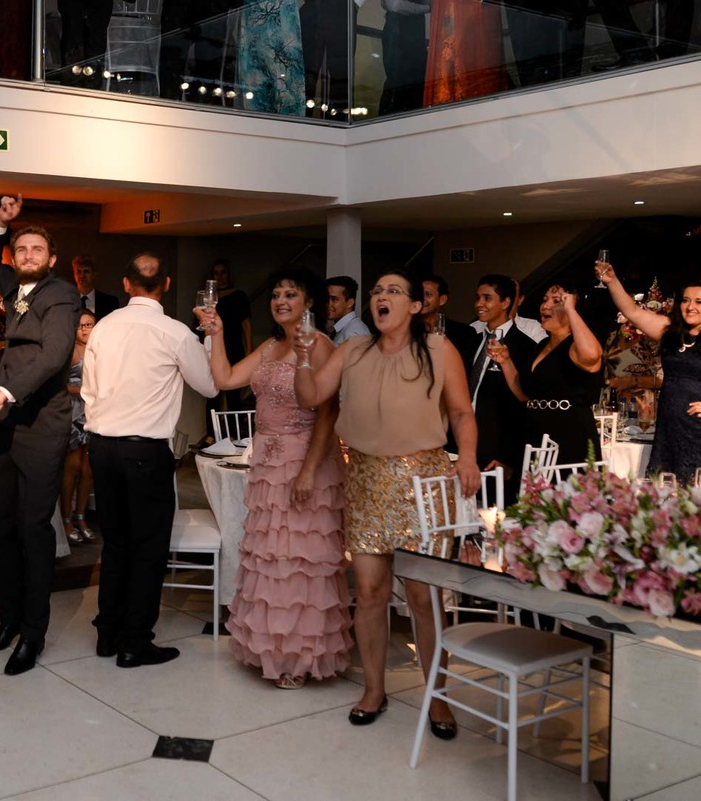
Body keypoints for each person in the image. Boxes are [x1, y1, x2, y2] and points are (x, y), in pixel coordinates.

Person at [295, 270, 480, 737]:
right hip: (366, 479)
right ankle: (374, 690)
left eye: (394, 291)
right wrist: (301, 358)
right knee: (371, 593)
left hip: (423, 482)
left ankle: (437, 697)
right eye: (377, 291)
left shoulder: (438, 349)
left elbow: (460, 411)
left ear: (416, 306)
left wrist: (469, 459)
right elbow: (314, 395)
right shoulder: (352, 350)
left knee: (423, 597)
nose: (382, 296)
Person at [199, 269, 351, 689]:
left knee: (299, 561)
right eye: (277, 294)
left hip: (305, 460)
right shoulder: (270, 346)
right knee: (271, 559)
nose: (281, 300)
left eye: (292, 294)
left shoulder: (319, 346)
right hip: (266, 463)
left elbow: (328, 412)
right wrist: (217, 333)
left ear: (309, 304)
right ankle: (271, 647)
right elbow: (225, 380)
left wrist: (307, 470)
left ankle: (299, 658)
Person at [83, 252, 218, 668]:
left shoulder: (102, 327)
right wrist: (210, 337)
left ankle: (108, 633)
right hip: (144, 451)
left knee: (117, 542)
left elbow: (90, 386)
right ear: (167, 284)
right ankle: (134, 641)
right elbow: (210, 387)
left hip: (101, 447)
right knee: (148, 547)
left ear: (125, 284)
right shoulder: (175, 332)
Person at [0, 194, 80, 676]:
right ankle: (8, 620)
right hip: (8, 424)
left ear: (51, 259)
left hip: (40, 423)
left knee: (32, 530)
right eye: (21, 250)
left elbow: (55, 355)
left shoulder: (60, 294)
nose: (29, 256)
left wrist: (4, 393)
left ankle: (32, 636)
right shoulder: (17, 287)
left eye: (37, 250)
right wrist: (1, 221)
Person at [596, 262, 701, 480]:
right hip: (670, 427)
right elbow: (632, 311)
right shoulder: (671, 332)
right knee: (669, 491)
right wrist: (612, 281)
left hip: (697, 428)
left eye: (699, 302)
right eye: (685, 300)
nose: (690, 307)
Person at [493, 284, 604, 466]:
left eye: (557, 301)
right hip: (536, 431)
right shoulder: (541, 345)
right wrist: (505, 361)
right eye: (545, 300)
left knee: (567, 492)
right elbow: (524, 394)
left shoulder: (577, 345)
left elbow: (592, 355)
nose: (545, 306)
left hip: (569, 433)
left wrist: (570, 308)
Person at [467, 275, 539, 502]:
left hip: (498, 453)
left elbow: (525, 406)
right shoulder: (472, 340)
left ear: (506, 302)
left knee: (495, 518)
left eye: (487, 298)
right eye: (478, 297)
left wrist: (509, 456)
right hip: (468, 446)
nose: (479, 304)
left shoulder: (524, 346)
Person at [204, 259, 252, 443]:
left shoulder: (239, 296)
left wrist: (248, 351)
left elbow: (246, 325)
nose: (220, 277)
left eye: (223, 272)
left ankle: (235, 432)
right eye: (216, 273)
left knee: (234, 395)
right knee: (212, 393)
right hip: (214, 348)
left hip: (233, 347)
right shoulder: (209, 299)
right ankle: (212, 433)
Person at [424, 0, 505, 106]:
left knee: (468, 47)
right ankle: (452, 94)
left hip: (471, 9)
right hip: (458, 7)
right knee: (455, 47)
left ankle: (460, 94)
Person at [61, 309, 97, 545]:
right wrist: (82, 391)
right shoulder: (69, 352)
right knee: (72, 468)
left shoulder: (99, 351)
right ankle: (65, 519)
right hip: (73, 411)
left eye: (90, 325)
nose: (85, 329)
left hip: (94, 411)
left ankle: (81, 516)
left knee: (88, 470)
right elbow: (58, 384)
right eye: (81, 325)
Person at [326, 275, 370, 345]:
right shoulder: (346, 329)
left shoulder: (354, 333)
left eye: (334, 299)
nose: (328, 304)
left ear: (350, 303)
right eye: (326, 298)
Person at [72, 255, 119, 319]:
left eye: (86, 271)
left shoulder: (110, 302)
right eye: (79, 272)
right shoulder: (65, 301)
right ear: (74, 274)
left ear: (94, 274)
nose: (82, 275)